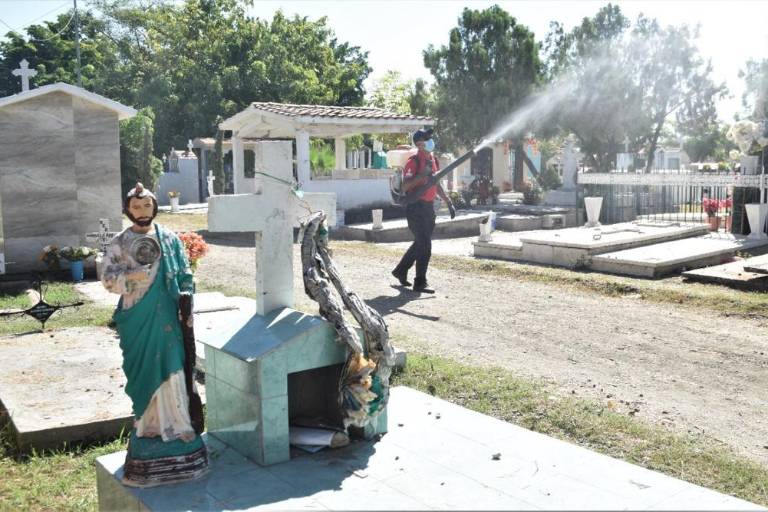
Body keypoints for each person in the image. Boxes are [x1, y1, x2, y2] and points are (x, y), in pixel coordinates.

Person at [102, 183, 208, 487]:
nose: (142, 213)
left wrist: (186, 295)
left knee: (173, 366)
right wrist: (131, 276)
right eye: (136, 208)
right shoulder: (119, 243)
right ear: (128, 210)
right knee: (144, 369)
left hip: (167, 318)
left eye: (147, 207)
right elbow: (108, 279)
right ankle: (148, 427)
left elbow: (186, 273)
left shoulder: (170, 239)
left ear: (155, 208)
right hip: (137, 317)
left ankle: (179, 425)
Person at [391, 128, 455, 293]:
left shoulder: (432, 159)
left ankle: (400, 270)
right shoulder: (414, 161)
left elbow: (436, 183)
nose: (430, 141)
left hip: (428, 208)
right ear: (419, 143)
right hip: (415, 207)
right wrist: (421, 175)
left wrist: (448, 201)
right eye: (427, 139)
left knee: (421, 242)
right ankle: (420, 282)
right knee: (425, 244)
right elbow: (405, 186)